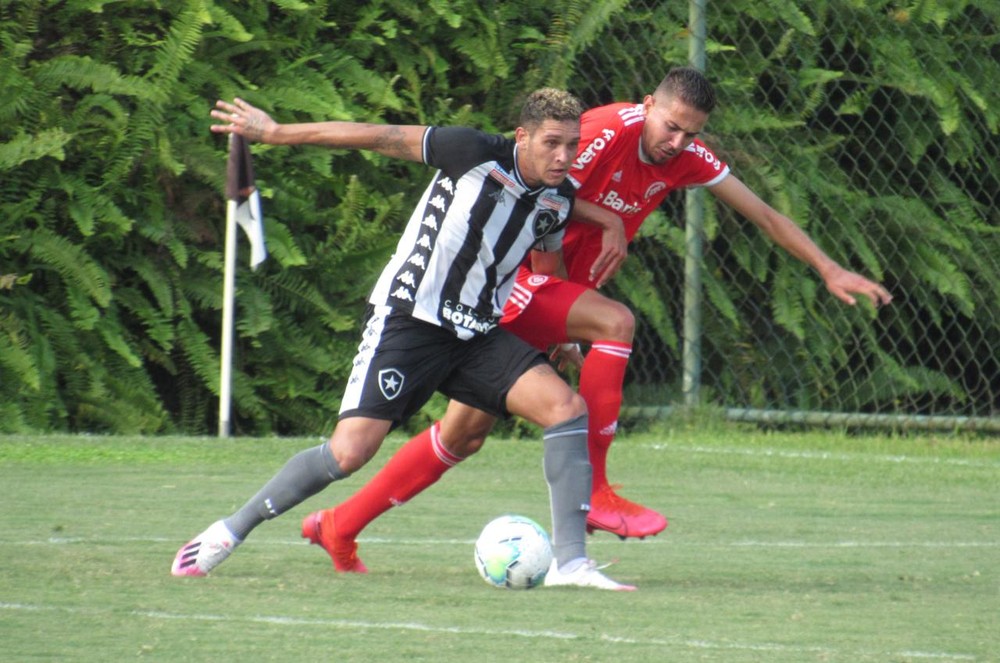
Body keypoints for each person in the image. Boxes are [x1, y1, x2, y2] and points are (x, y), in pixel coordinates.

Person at [306, 66, 894, 565]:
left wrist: (826, 267)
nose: (677, 143)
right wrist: (576, 287)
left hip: (548, 293)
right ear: (648, 107)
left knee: (465, 434)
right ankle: (599, 490)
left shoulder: (685, 156)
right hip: (522, 281)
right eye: (670, 126)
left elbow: (763, 213)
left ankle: (340, 526)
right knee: (616, 322)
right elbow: (540, 205)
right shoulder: (602, 131)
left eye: (690, 133)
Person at [170, 88, 636, 591]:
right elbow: (376, 137)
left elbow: (548, 265)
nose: (564, 157)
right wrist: (276, 133)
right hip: (410, 321)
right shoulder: (471, 152)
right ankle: (228, 532)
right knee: (348, 454)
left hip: (477, 334)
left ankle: (571, 565)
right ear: (522, 137)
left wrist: (561, 333)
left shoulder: (556, 199)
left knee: (565, 409)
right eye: (552, 143)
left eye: (572, 144)